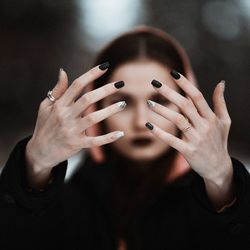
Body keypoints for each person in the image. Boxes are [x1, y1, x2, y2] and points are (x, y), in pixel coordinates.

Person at [0, 25, 250, 250]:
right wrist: (35, 166)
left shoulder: (206, 205)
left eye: (159, 101)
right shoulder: (68, 205)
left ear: (186, 104)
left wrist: (222, 182)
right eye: (122, 102)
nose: (140, 121)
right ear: (96, 108)